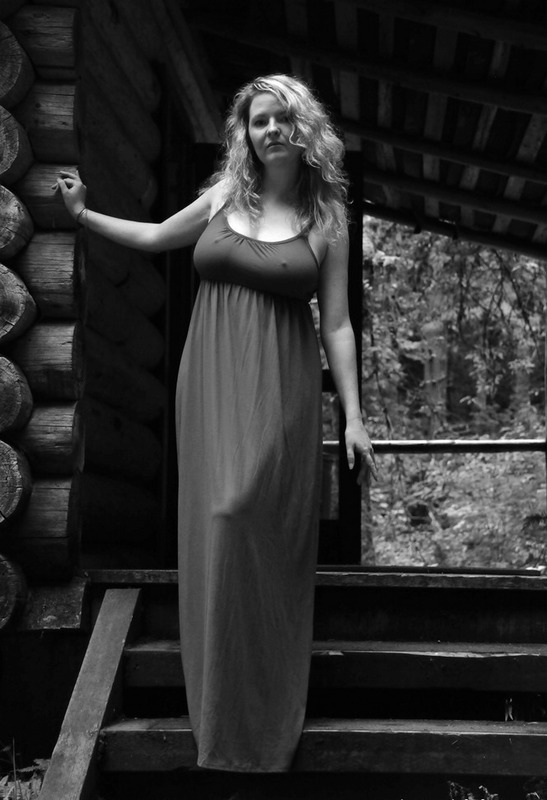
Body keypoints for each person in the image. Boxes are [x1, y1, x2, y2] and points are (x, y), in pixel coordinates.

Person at [56, 73, 377, 773]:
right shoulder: (226, 194)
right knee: (218, 521)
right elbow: (155, 237)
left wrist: (353, 417)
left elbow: (338, 324)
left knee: (243, 510)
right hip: (209, 376)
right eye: (259, 121)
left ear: (305, 128)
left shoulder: (327, 217)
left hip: (280, 382)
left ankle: (260, 707)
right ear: (247, 133)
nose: (271, 130)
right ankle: (223, 707)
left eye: (283, 118)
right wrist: (83, 216)